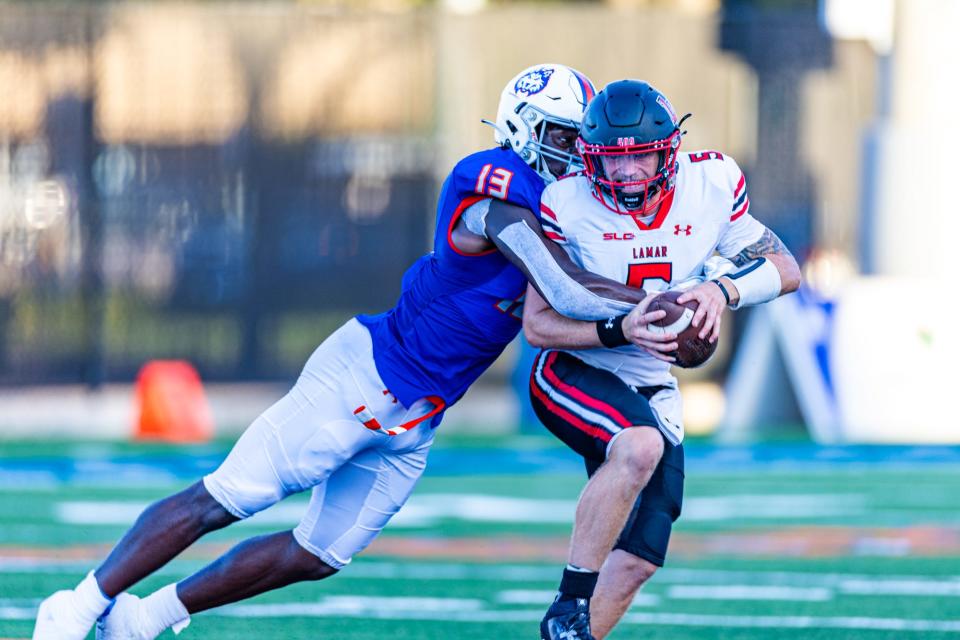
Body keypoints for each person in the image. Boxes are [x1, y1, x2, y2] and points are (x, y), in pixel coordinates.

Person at [32, 64, 671, 640]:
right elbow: (558, 281)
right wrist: (654, 304)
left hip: (419, 415)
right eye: (564, 139)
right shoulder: (491, 182)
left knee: (318, 554)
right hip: (364, 376)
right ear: (525, 132)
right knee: (224, 498)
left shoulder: (574, 205)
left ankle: (146, 618)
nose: (578, 157)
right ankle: (79, 605)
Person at [524, 79, 802, 640]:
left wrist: (720, 292)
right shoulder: (565, 202)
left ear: (668, 149)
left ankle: (572, 635)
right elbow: (537, 325)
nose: (626, 173)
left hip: (652, 380)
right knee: (639, 445)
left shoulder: (712, 182)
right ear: (589, 157)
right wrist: (619, 326)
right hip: (577, 369)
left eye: (640, 156)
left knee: (638, 558)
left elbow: (787, 269)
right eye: (612, 160)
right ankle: (568, 602)